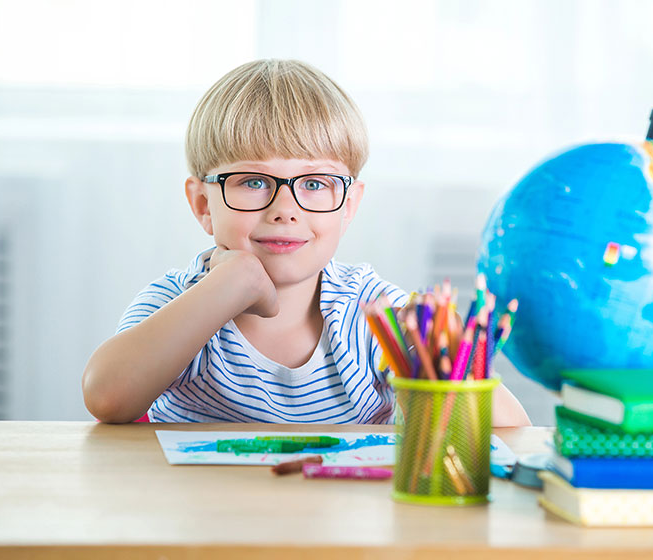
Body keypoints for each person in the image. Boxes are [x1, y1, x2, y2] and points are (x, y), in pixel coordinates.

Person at [82, 59, 531, 426]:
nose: (285, 208)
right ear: (202, 203)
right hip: (205, 529)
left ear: (349, 204)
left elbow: (512, 431)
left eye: (315, 183)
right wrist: (228, 283)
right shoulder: (178, 302)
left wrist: (442, 363)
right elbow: (107, 397)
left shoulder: (372, 313)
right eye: (254, 181)